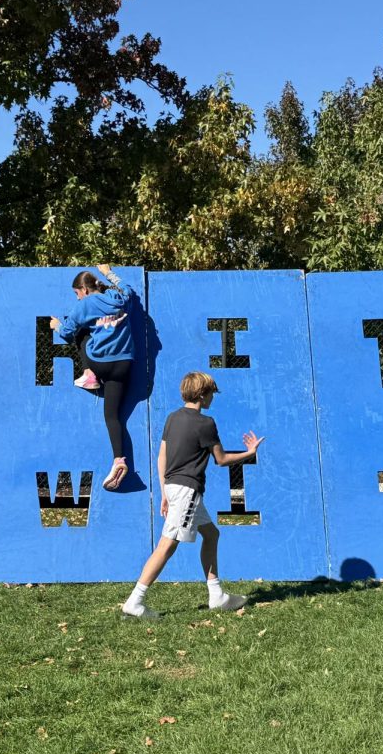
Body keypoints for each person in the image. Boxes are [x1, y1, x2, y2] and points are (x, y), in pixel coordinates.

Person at [122, 371, 263, 619]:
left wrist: (165, 491)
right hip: (188, 491)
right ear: (201, 394)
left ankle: (216, 595)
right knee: (167, 545)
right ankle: (135, 601)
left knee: (211, 533)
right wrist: (249, 452)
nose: (212, 398)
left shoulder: (172, 418)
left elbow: (161, 457)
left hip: (176, 488)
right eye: (211, 393)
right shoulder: (205, 423)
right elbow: (221, 459)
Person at [50, 263, 136, 490]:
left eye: (77, 294)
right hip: (125, 364)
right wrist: (108, 273)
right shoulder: (119, 299)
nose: (78, 299)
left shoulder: (86, 304)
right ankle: (119, 459)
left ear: (84, 290)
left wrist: (57, 325)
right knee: (113, 415)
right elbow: (129, 289)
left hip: (101, 364)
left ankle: (89, 374)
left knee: (82, 334)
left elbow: (68, 333)